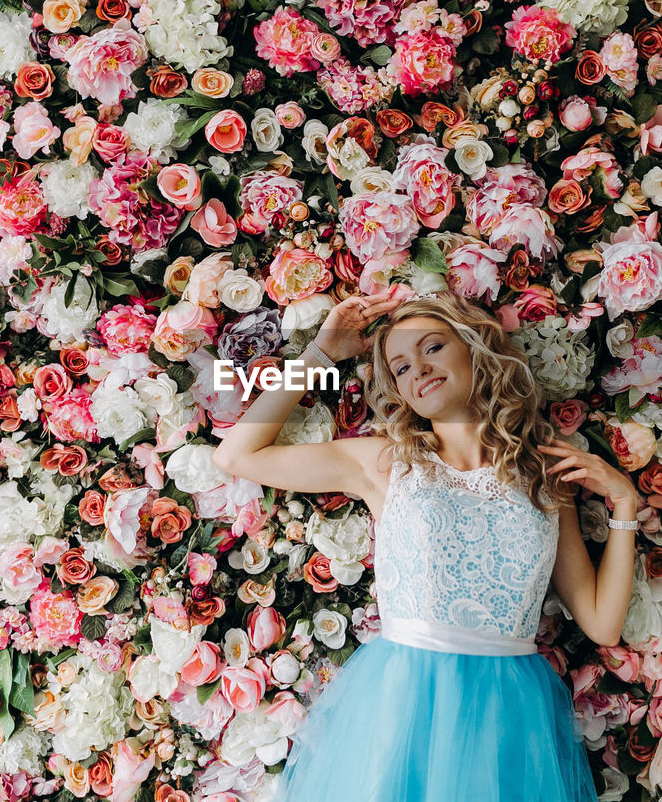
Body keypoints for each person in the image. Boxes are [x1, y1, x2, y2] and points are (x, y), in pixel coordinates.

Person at [211, 288, 639, 802]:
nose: (419, 370)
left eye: (432, 348)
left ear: (474, 347)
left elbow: (600, 622)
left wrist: (624, 503)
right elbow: (237, 455)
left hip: (507, 714)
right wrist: (320, 353)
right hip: (404, 702)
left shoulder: (545, 473)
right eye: (402, 367)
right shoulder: (385, 463)